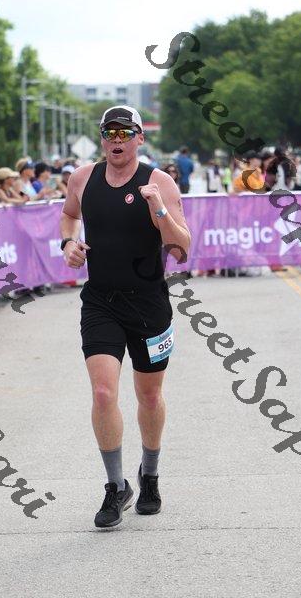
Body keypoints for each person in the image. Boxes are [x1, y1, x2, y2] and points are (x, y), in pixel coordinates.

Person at [60, 105, 191, 528]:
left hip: (149, 303)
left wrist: (159, 210)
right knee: (103, 393)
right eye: (109, 133)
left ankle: (149, 475)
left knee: (149, 396)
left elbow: (182, 249)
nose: (116, 140)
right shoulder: (83, 178)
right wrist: (68, 244)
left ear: (139, 138)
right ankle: (116, 486)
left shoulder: (159, 182)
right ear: (102, 138)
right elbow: (69, 216)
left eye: (125, 133)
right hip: (101, 301)